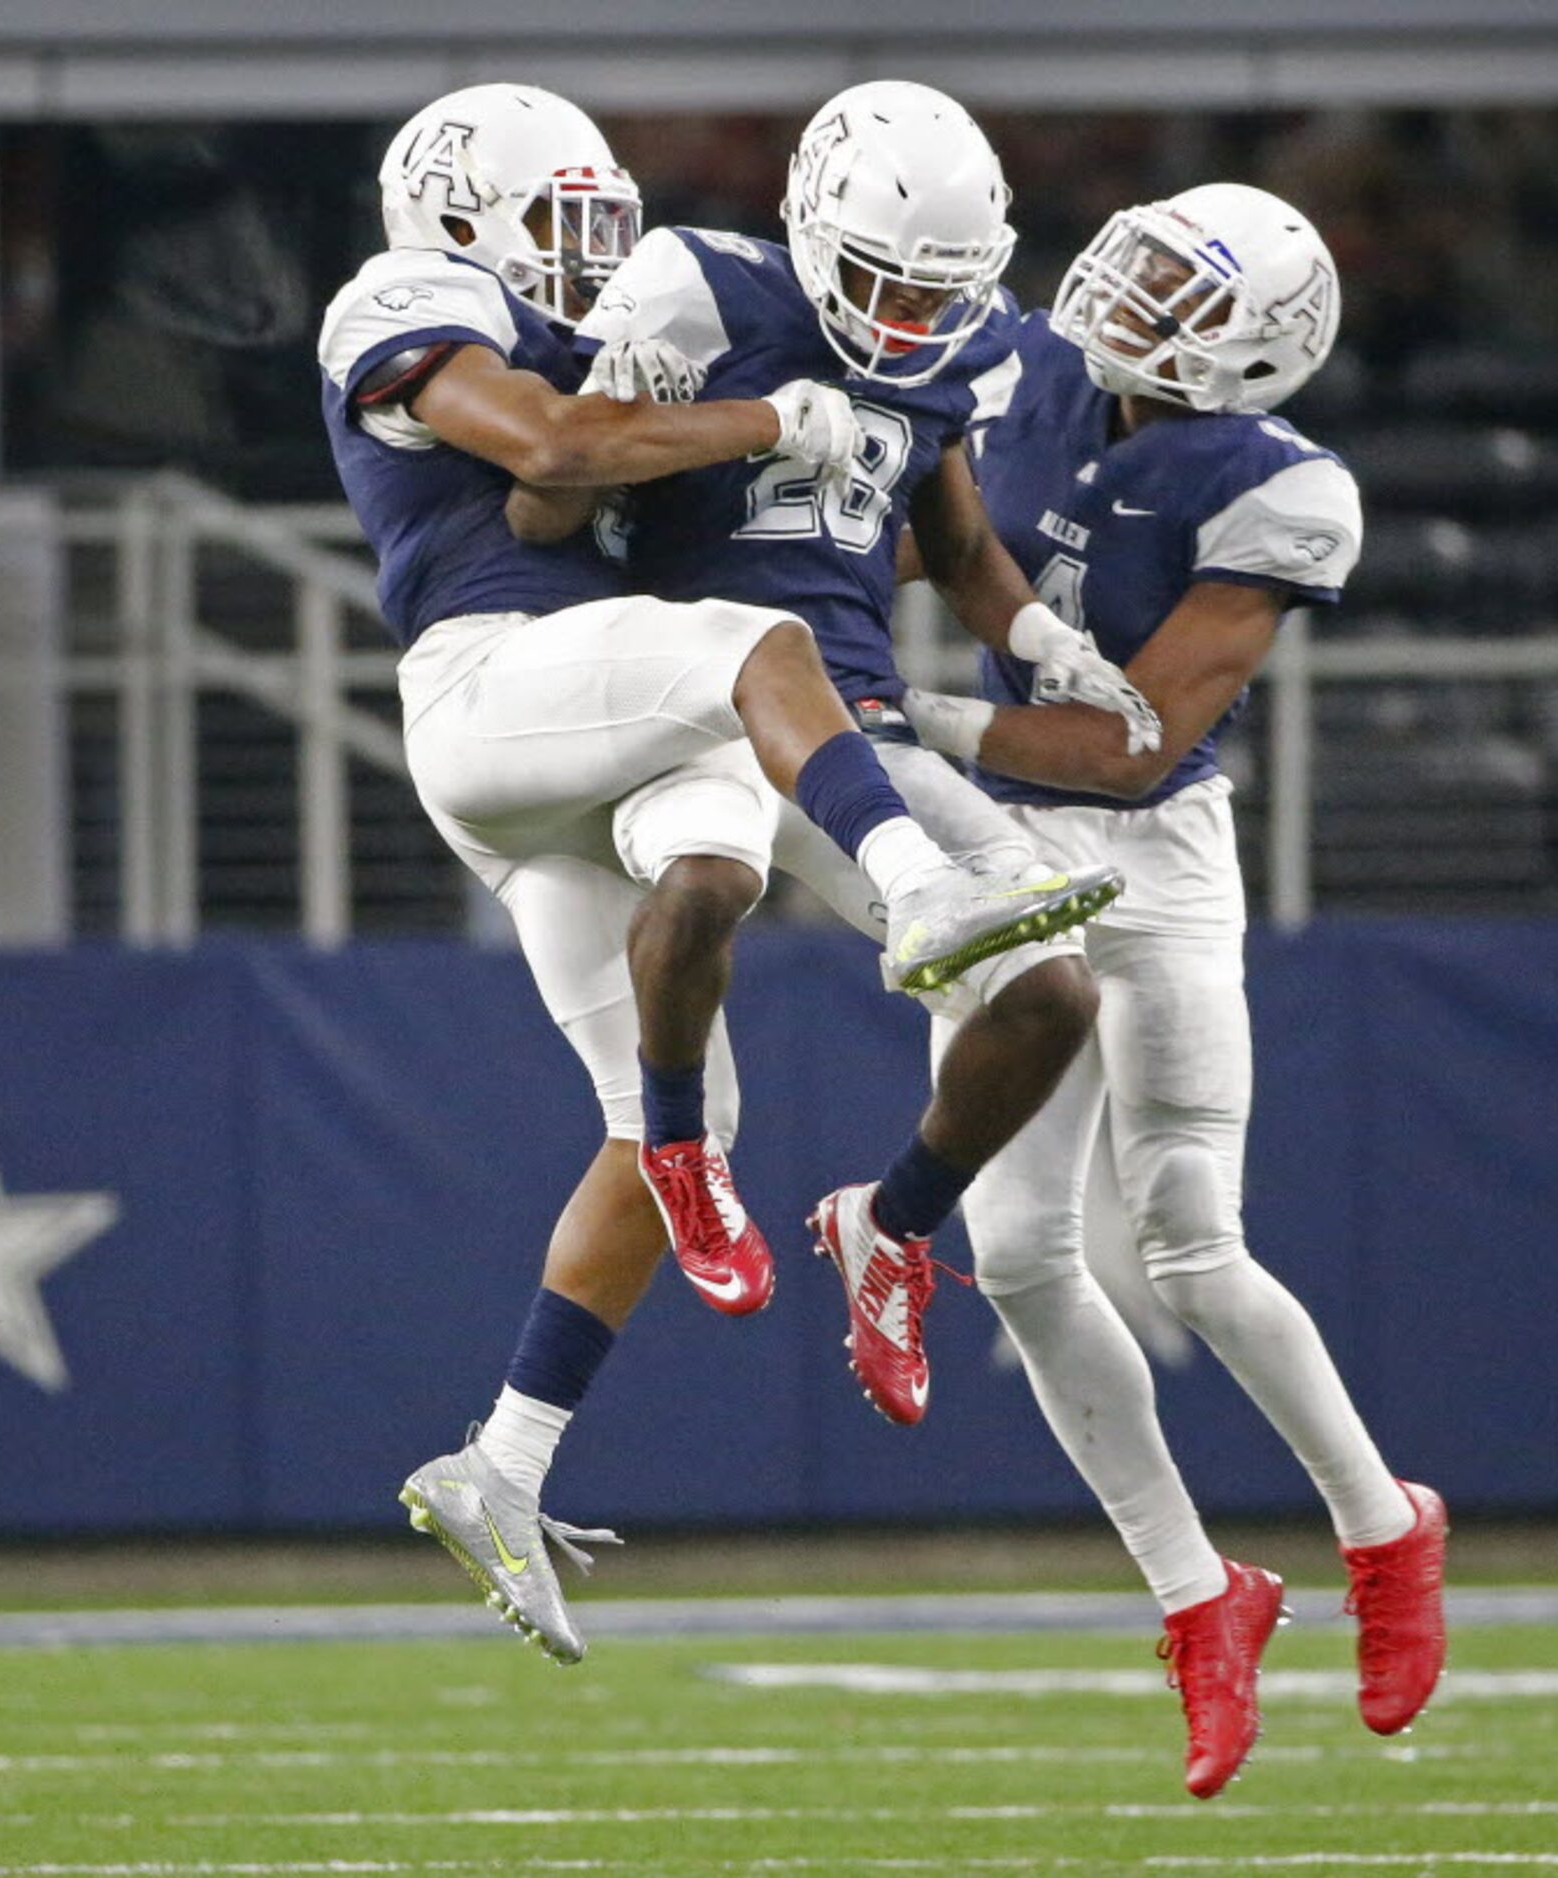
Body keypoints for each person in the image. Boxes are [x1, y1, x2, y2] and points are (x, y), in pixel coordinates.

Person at [320, 82, 1121, 1665]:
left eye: (600, 220)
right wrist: (765, 416)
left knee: (686, 1022)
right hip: (501, 688)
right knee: (751, 657)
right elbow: (553, 457)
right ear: (457, 221)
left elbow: (834, 506)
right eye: (554, 223)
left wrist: (1023, 622)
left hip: (611, 723)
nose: (588, 251)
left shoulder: (674, 321)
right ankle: (922, 886)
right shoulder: (408, 302)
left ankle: (504, 1459)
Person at [890, 183, 1448, 1798]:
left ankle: (1381, 1526)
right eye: (1138, 263)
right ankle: (1204, 1597)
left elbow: (1125, 739)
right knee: (1014, 1249)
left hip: (1151, 842)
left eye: (1173, 294)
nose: (1121, 296)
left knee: (1194, 1234)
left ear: (1251, 356)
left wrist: (895, 718)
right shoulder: (1021, 361)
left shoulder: (1283, 491)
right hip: (999, 844)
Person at [548, 81, 1160, 1431]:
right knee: (703, 888)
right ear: (813, 223)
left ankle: (891, 1227)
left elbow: (954, 543)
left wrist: (1039, 639)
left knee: (1055, 994)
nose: (909, 320)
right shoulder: (696, 289)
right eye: (884, 279)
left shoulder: (953, 349)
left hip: (852, 714)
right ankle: (676, 1145)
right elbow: (558, 492)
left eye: (938, 294)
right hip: (683, 696)